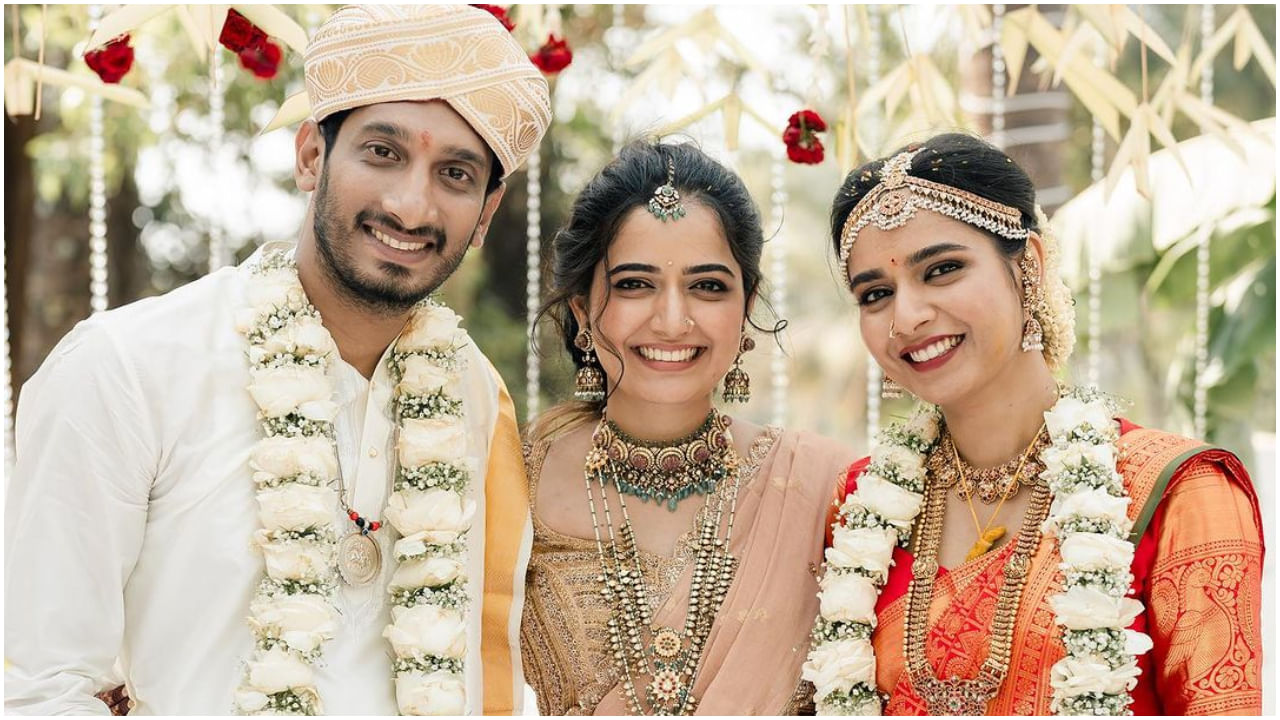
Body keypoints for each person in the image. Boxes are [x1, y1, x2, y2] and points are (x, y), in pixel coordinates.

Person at [5, 5, 551, 715]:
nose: (411, 206)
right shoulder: (128, 368)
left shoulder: (473, 394)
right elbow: (39, 685)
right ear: (311, 156)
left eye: (455, 173)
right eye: (382, 153)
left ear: (485, 213)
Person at [803, 133, 1263, 715]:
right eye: (875, 294)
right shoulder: (853, 505)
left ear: (1029, 267)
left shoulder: (1177, 491)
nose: (907, 316)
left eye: (942, 269)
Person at [519, 140, 857, 715]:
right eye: (634, 284)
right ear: (581, 310)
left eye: (707, 286)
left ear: (745, 306)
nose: (673, 321)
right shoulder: (509, 480)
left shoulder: (824, 488)